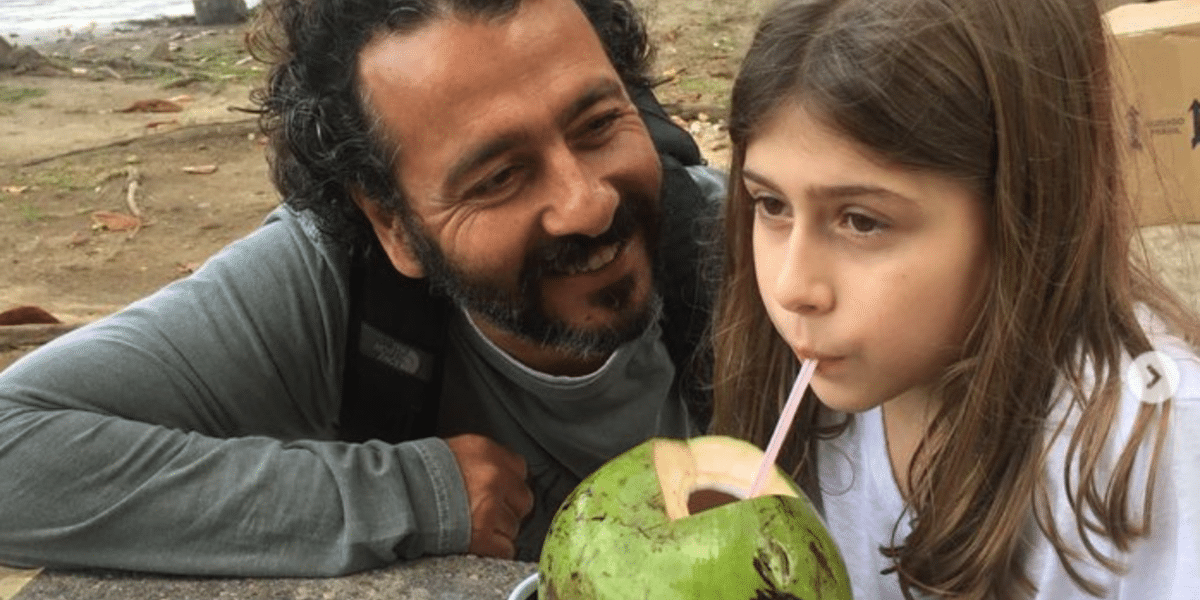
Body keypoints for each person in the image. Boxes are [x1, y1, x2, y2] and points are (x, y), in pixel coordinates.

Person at [0, 0, 725, 576]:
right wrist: (407, 496)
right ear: (392, 224)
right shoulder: (331, 287)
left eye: (598, 124)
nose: (588, 203)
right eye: (499, 176)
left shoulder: (750, 255)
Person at [710, 0, 1200, 598]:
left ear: (1022, 210)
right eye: (771, 205)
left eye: (861, 221)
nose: (792, 288)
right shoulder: (802, 395)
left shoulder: (1154, 449)